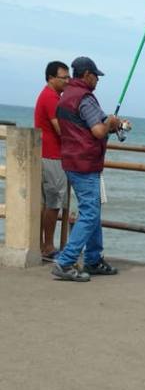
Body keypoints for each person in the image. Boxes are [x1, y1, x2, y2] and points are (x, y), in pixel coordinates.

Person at [52, 56, 128, 283]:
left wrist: (111, 124)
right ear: (87, 75)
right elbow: (97, 131)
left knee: (92, 210)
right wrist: (112, 124)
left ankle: (93, 259)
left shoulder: (66, 97)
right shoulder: (85, 98)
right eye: (96, 76)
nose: (98, 80)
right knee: (90, 213)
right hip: (85, 163)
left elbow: (82, 127)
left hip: (72, 161)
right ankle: (65, 262)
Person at [34, 60, 70, 260]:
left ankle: (41, 244)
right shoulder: (50, 98)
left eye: (68, 77)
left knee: (48, 202)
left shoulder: (51, 96)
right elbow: (61, 129)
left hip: (48, 155)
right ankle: (47, 247)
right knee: (54, 202)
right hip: (52, 156)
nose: (67, 81)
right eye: (63, 77)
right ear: (51, 78)